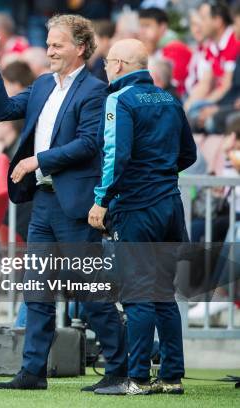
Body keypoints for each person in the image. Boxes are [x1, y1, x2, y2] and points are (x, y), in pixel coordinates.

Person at [0, 15, 127, 392]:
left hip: (74, 206)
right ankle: (32, 372)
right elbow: (4, 111)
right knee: (37, 290)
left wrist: (37, 160)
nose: (50, 50)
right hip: (43, 202)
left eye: (58, 44)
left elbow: (89, 144)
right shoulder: (42, 85)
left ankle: (120, 369)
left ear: (81, 48)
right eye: (48, 43)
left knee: (91, 292)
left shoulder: (94, 90)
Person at [88, 39, 197, 395]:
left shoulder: (119, 99)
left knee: (137, 295)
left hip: (136, 207)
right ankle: (171, 376)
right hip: (170, 205)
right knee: (164, 294)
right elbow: (188, 154)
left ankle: (135, 378)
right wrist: (160, 173)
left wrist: (102, 201)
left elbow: (115, 155)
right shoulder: (170, 99)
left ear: (119, 64)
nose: (104, 67)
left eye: (107, 62)